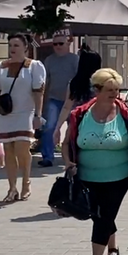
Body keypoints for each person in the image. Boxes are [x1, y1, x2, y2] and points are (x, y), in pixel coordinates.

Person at [62, 68, 128, 255]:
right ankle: (113, 248)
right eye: (109, 90)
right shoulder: (80, 114)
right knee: (99, 214)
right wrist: (68, 163)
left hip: (118, 177)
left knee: (103, 216)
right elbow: (66, 143)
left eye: (117, 89)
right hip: (87, 176)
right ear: (96, 90)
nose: (114, 94)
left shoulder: (124, 113)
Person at [0, 34, 46, 202]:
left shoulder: (34, 66)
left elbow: (39, 92)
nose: (12, 49)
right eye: (10, 45)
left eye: (16, 45)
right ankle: (12, 188)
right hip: (6, 114)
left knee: (22, 149)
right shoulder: (0, 66)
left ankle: (26, 182)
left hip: (25, 113)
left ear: (25, 47)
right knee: (8, 151)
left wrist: (38, 115)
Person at [40, 34, 78, 167]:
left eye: (60, 44)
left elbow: (79, 81)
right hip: (53, 99)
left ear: (68, 45)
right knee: (49, 127)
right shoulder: (49, 60)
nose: (57, 47)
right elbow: (46, 81)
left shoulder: (75, 60)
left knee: (73, 129)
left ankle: (73, 156)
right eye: (55, 44)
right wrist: (43, 101)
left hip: (72, 100)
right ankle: (47, 157)